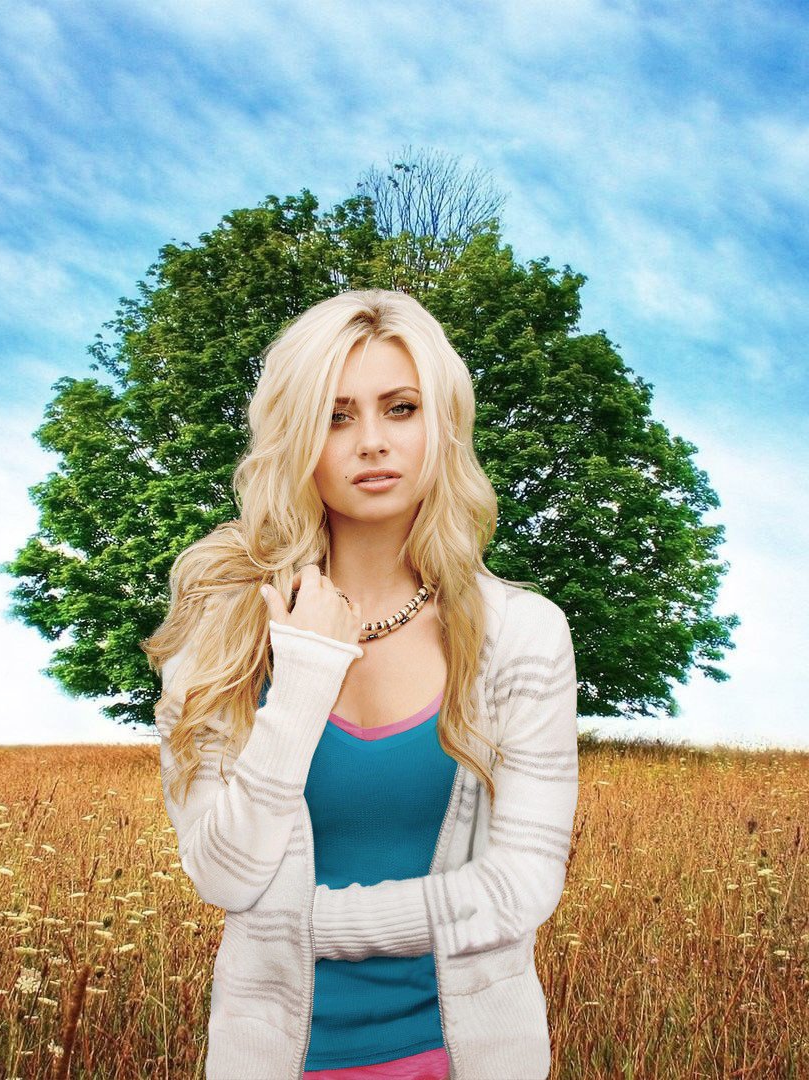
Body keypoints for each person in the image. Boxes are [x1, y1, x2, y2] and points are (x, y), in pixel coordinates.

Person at [145, 289, 580, 1079]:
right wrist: (305, 677)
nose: (372, 442)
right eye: (337, 416)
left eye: (400, 408)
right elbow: (224, 874)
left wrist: (311, 923)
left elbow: (523, 886)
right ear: (296, 437)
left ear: (440, 424)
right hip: (278, 1060)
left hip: (467, 1057)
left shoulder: (524, 633)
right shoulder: (220, 640)